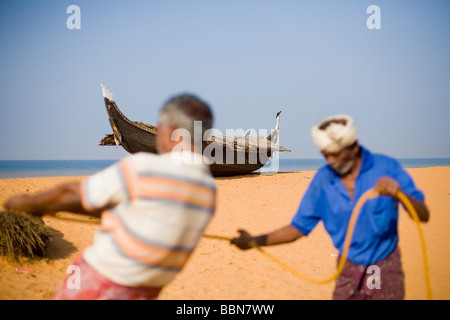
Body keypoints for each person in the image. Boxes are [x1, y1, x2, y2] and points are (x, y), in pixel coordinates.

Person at [4, 93, 216, 300]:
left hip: (101, 282)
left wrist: (29, 202)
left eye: (159, 127)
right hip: (147, 292)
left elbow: (72, 194)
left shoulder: (145, 167)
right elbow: (144, 213)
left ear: (172, 131)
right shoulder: (208, 189)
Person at [231, 114, 429, 300]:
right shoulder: (323, 180)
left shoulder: (386, 168)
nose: (330, 161)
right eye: (326, 155)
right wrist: (255, 241)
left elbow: (423, 215)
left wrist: (400, 195)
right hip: (348, 266)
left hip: (385, 267)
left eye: (335, 155)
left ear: (353, 147)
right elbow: (297, 229)